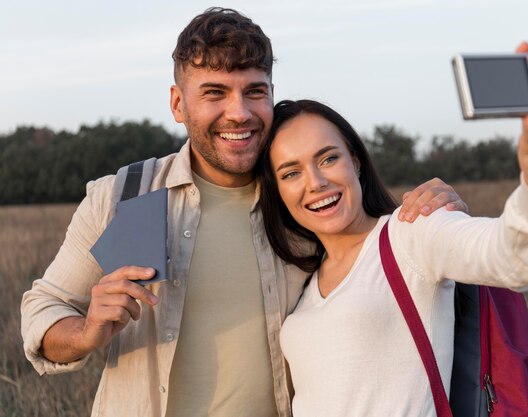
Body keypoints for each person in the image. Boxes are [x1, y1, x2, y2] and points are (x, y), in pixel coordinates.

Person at [20, 7, 465, 417]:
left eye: (254, 91)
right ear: (178, 104)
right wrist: (86, 331)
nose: (239, 112)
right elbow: (44, 310)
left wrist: (440, 213)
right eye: (214, 93)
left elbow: (386, 255)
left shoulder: (305, 202)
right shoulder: (124, 196)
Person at [257, 42, 528, 417]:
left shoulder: (410, 233)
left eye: (328, 158)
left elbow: (513, 258)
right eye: (291, 173)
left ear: (355, 162)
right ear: (278, 190)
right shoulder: (299, 282)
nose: (316, 182)